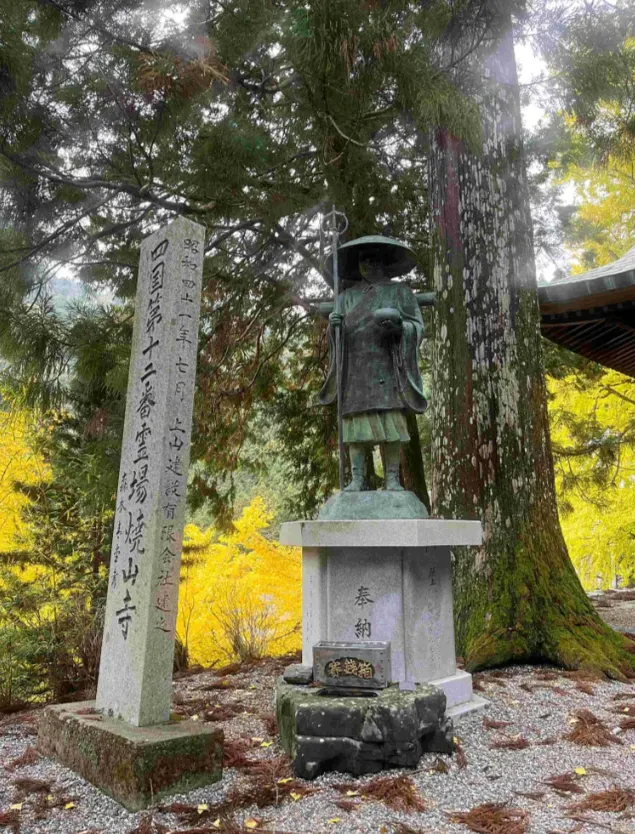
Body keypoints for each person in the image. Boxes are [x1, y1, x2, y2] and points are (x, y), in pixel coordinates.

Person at [318, 236, 427, 491]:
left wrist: (401, 327)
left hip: (388, 366)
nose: (369, 265)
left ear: (384, 262)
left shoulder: (400, 292)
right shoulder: (345, 298)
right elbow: (336, 335)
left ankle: (392, 478)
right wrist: (334, 330)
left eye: (374, 259)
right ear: (358, 266)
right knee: (356, 427)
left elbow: (417, 326)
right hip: (355, 369)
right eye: (364, 261)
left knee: (391, 423)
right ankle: (357, 479)